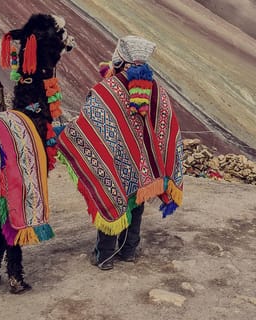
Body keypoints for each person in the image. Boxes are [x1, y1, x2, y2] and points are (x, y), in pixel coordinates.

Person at [57, 36, 184, 271]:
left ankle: (105, 256)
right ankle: (129, 251)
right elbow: (167, 127)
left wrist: (67, 134)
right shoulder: (158, 92)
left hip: (114, 161)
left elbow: (90, 125)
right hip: (143, 167)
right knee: (137, 203)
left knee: (112, 198)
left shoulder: (107, 91)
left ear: (120, 60)